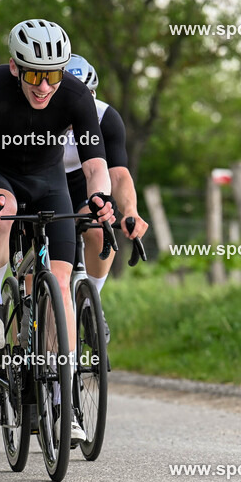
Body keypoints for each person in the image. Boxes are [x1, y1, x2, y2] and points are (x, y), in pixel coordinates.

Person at [0, 19, 115, 443]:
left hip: (49, 182)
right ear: (15, 67)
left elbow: (95, 165)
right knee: (3, 211)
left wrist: (100, 197)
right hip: (1, 175)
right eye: (34, 75)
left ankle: (63, 404)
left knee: (59, 284)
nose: (44, 86)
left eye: (53, 75)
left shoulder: (75, 95)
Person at [62, 54, 149, 341]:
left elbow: (120, 175)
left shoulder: (105, 117)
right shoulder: (37, 113)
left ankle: (90, 302)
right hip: (39, 181)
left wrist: (131, 211)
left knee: (101, 228)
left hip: (84, 183)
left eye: (87, 95)